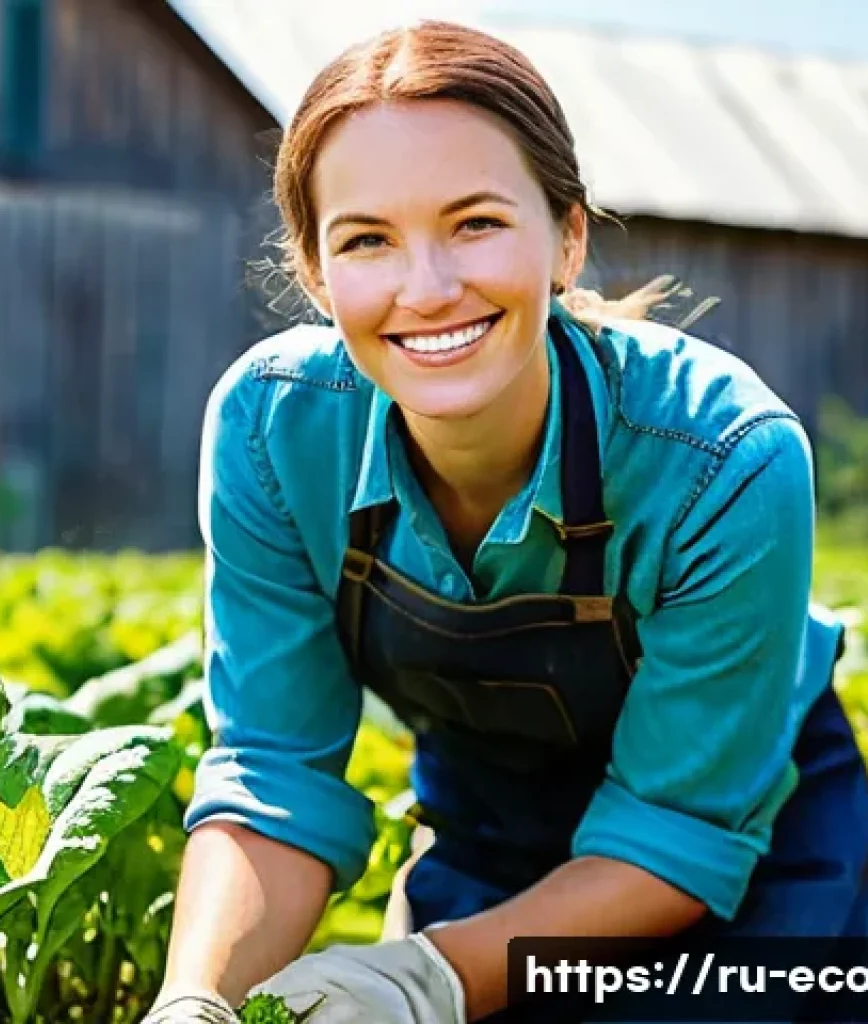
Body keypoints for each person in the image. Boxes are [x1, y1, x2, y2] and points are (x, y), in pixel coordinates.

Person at [141, 19, 868, 1024]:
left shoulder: (722, 456)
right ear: (314, 271)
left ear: (568, 237)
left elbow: (679, 830)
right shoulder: (274, 433)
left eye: (476, 223)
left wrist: (428, 978)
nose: (427, 289)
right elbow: (275, 772)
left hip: (749, 855)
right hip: (492, 828)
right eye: (366, 239)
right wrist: (195, 1000)